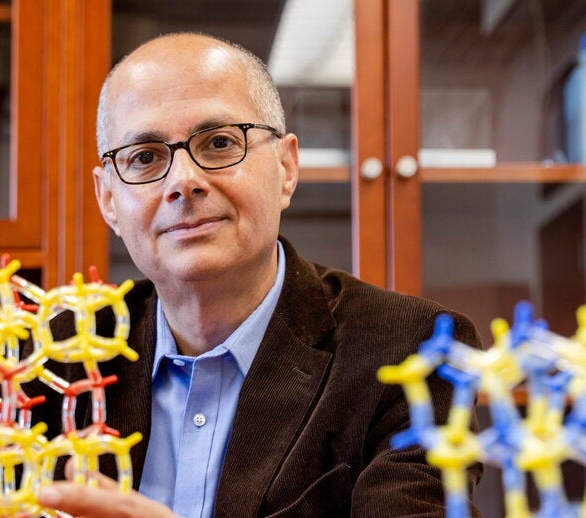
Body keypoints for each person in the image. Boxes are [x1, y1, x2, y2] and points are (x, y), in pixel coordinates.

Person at [27, 32, 483, 517]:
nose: (183, 181)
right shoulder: (50, 362)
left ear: (286, 167)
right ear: (109, 201)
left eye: (220, 143)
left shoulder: (414, 352)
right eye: (145, 157)